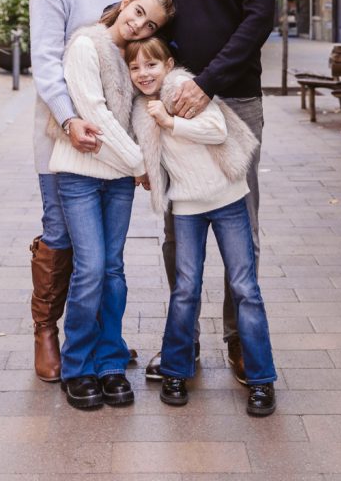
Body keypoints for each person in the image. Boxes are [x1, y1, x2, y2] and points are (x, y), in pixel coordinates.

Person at [139, 0, 276, 384]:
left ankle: (240, 341)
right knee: (179, 224)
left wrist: (208, 83)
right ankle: (184, 344)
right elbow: (147, 24)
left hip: (236, 100)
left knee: (243, 222)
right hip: (174, 101)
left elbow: (257, 20)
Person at [126, 37, 277, 416]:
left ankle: (261, 380)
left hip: (227, 199)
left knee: (245, 287)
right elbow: (141, 154)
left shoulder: (182, 88)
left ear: (169, 64)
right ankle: (177, 370)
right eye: (135, 67)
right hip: (187, 207)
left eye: (151, 65)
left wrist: (171, 122)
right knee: (185, 288)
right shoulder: (139, 110)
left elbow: (217, 131)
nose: (144, 74)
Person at [29, 0, 138, 383]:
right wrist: (70, 119)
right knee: (61, 235)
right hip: (61, 130)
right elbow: (46, 60)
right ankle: (47, 330)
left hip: (113, 138)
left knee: (104, 258)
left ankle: (99, 342)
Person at [48, 0, 176, 410]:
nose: (139, 23)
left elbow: (142, 105)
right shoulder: (87, 44)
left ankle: (110, 361)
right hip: (82, 174)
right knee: (90, 268)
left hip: (118, 177)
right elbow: (96, 113)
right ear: (125, 3)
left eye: (150, 22)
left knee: (112, 269)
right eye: (137, 11)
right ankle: (77, 366)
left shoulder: (131, 56)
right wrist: (141, 164)